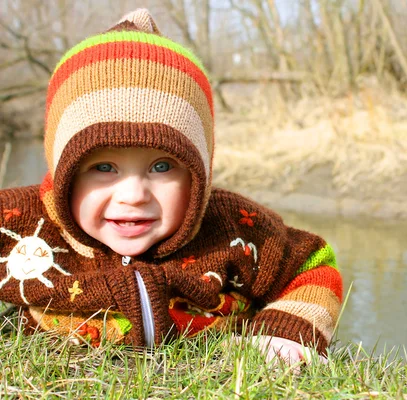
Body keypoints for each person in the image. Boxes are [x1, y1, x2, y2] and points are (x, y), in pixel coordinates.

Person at [0, 9, 342, 366]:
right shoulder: (22, 221)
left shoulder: (236, 230)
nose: (133, 195)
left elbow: (314, 267)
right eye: (103, 167)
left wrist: (287, 330)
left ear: (200, 172)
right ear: (62, 171)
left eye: (162, 167)